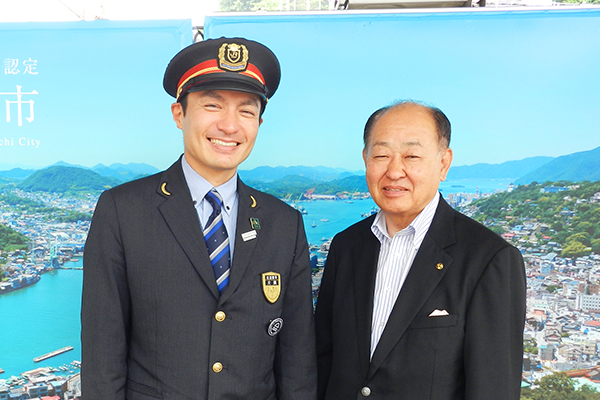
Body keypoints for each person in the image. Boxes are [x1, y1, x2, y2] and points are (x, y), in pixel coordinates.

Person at [81, 37, 317, 400]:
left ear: (259, 122)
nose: (229, 126)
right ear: (179, 114)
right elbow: (102, 351)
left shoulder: (284, 222)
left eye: (246, 111)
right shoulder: (122, 210)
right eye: (212, 105)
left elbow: (297, 357)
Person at [315, 100, 526, 400]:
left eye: (412, 155)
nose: (394, 170)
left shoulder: (489, 259)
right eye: (381, 155)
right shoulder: (346, 246)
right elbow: (324, 358)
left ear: (443, 163)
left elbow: (494, 389)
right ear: (365, 159)